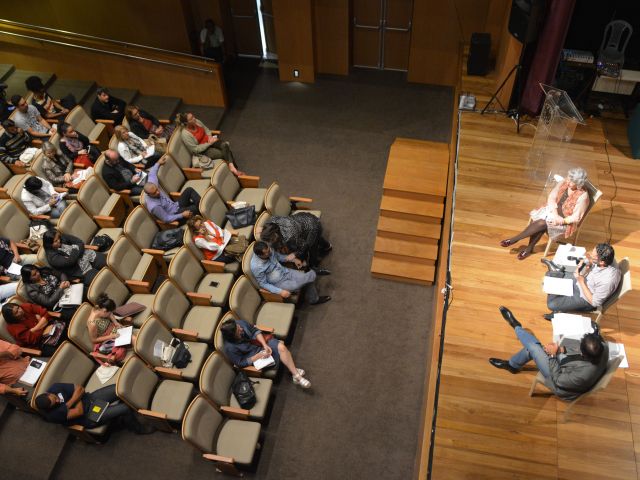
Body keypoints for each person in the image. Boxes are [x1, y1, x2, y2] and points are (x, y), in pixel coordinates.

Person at [489, 306, 608, 400]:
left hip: (563, 384)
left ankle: (516, 327)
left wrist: (552, 355)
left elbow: (558, 380)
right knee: (534, 349)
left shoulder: (582, 375)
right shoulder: (603, 346)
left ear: (584, 354)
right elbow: (578, 349)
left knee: (533, 348)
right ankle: (512, 364)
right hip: (572, 366)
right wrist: (561, 350)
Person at [500, 168, 590, 260]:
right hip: (552, 210)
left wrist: (561, 220)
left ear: (579, 184)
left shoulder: (583, 196)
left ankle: (515, 240)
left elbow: (576, 217)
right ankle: (527, 248)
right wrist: (555, 213)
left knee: (541, 223)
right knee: (541, 224)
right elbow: (552, 197)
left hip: (563, 221)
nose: (567, 182)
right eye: (568, 179)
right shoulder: (565, 182)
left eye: (571, 182)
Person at [220, 318, 311, 389]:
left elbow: (254, 331)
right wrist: (258, 356)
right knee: (280, 353)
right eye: (238, 331)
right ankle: (296, 374)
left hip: (259, 342)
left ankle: (296, 376)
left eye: (238, 326)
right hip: (254, 354)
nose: (241, 328)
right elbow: (240, 363)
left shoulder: (239, 323)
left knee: (282, 348)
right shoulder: (230, 348)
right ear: (233, 336)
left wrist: (264, 345)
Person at [541, 242, 621, 319]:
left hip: (585, 298)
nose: (591, 256)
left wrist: (581, 281)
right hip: (584, 281)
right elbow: (591, 259)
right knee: (548, 277)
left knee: (551, 304)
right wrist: (586, 262)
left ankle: (559, 308)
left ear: (602, 262)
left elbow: (594, 302)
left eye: (593, 256)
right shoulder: (608, 258)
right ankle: (556, 275)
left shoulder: (607, 281)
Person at [35, 383, 153, 433]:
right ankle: (138, 429)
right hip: (89, 416)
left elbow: (80, 387)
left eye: (53, 397)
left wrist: (70, 403)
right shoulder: (52, 415)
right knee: (124, 408)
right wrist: (76, 396)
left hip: (91, 398)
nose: (56, 400)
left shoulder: (55, 387)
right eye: (54, 403)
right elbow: (79, 412)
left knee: (118, 388)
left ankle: (144, 404)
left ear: (47, 393)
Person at [250, 241, 331, 305]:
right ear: (259, 255)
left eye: (269, 250)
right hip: (279, 282)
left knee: (306, 279)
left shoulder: (269, 249)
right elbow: (263, 284)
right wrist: (280, 292)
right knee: (305, 280)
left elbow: (279, 257)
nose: (269, 253)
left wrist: (293, 259)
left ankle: (314, 299)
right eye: (266, 253)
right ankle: (313, 273)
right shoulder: (256, 267)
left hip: (286, 271)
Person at [176, 112, 243, 176]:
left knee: (225, 145)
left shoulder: (197, 122)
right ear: (186, 123)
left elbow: (207, 130)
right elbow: (195, 149)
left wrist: (210, 137)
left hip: (210, 141)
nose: (194, 119)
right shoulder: (185, 134)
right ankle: (235, 170)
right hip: (203, 150)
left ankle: (232, 168)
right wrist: (208, 144)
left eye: (193, 116)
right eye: (191, 119)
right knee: (223, 153)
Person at [260, 214, 332, 269]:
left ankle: (314, 265)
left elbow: (304, 245)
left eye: (272, 240)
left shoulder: (289, 235)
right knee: (316, 239)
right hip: (302, 218)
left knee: (312, 247)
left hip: (313, 227)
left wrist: (294, 255)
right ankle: (327, 246)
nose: (271, 242)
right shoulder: (272, 221)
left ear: (275, 234)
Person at [143, 157, 200, 225]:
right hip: (176, 215)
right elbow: (166, 218)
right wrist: (182, 215)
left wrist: (158, 163)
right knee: (195, 207)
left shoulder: (152, 184)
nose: (158, 192)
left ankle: (201, 205)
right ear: (149, 195)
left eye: (157, 189)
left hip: (176, 205)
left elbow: (152, 174)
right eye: (154, 193)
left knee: (189, 190)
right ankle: (201, 208)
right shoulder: (154, 206)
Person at [86, 294, 132, 364]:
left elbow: (110, 314)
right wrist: (111, 336)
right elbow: (94, 340)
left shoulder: (99, 307)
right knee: (131, 339)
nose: (111, 314)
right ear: (104, 311)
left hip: (112, 329)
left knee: (130, 337)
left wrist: (116, 323)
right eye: (109, 312)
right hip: (106, 337)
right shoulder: (92, 323)